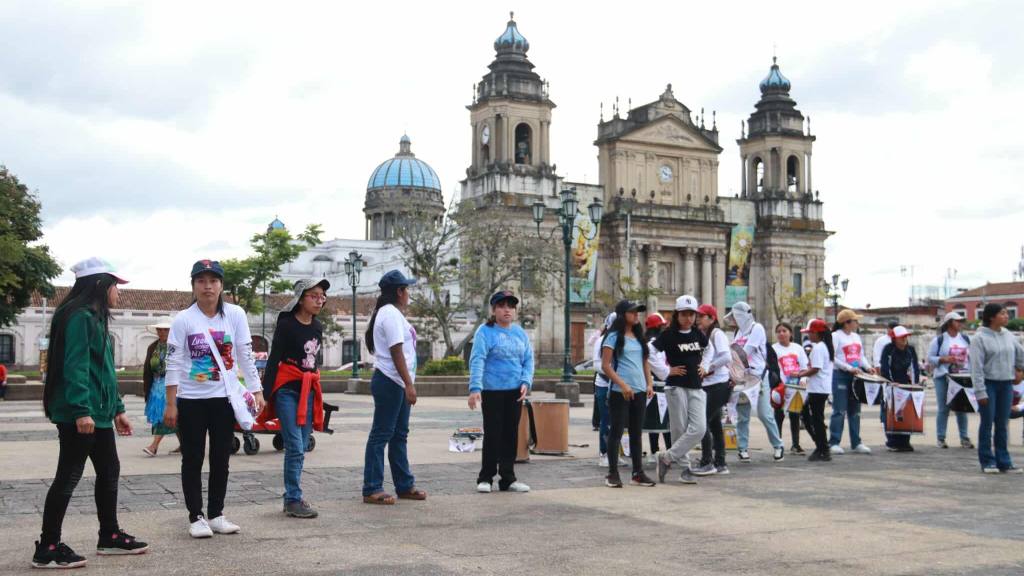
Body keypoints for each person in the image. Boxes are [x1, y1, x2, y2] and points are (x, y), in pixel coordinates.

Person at [33, 258, 148, 569]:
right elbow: (76, 366)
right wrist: (81, 410)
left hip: (97, 412)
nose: (119, 293)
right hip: (79, 414)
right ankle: (48, 546)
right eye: (115, 286)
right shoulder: (79, 317)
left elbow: (105, 369)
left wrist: (118, 409)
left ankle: (109, 535)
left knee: (109, 470)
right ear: (100, 286)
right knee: (68, 476)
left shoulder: (95, 318)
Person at [164, 259, 266, 538]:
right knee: (193, 458)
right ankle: (196, 516)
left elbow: (245, 354)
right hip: (191, 399)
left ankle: (217, 514)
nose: (207, 286)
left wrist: (256, 390)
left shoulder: (235, 315)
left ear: (221, 285)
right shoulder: (184, 320)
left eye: (213, 281)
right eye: (201, 281)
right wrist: (171, 403)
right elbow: (173, 362)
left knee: (222, 457)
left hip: (224, 399)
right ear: (194, 285)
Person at [262, 278, 330, 518]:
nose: (319, 300)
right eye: (314, 295)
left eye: (322, 296)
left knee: (301, 446)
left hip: (307, 392)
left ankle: (292, 497)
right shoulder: (287, 324)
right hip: (288, 391)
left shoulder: (318, 327)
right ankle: (293, 498)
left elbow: (313, 362)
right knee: (295, 446)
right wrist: (264, 393)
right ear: (301, 298)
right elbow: (274, 359)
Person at [362, 270, 427, 503]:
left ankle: (404, 484)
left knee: (399, 435)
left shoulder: (394, 313)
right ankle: (371, 487)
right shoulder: (389, 314)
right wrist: (409, 384)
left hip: (397, 381)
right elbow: (396, 350)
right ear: (399, 292)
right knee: (381, 434)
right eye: (407, 289)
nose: (408, 293)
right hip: (391, 381)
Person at [468, 290, 534, 494]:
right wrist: (475, 388)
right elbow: (477, 359)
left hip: (514, 391)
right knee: (493, 434)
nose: (507, 310)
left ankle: (508, 478)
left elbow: (528, 359)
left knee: (510, 434)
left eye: (511, 306)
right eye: (502, 306)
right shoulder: (485, 331)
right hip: (492, 391)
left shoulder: (520, 333)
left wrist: (526, 381)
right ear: (494, 309)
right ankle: (485, 477)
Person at [651, 296, 708, 484]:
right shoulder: (668, 335)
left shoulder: (698, 334)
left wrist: (705, 366)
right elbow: (649, 352)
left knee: (699, 428)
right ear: (677, 315)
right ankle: (685, 469)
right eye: (684, 314)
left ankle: (666, 457)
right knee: (679, 428)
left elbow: (710, 350)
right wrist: (666, 371)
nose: (689, 318)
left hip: (696, 386)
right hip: (676, 386)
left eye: (692, 314)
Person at [602, 300, 656, 488]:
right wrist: (623, 385)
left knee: (636, 433)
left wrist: (649, 383)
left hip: (640, 391)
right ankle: (612, 473)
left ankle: (638, 472)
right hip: (620, 392)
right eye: (632, 312)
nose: (636, 315)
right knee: (616, 432)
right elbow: (606, 365)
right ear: (622, 314)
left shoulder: (639, 337)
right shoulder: (614, 337)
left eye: (638, 312)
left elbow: (645, 362)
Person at [726, 302, 785, 462]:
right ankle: (742, 449)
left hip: (758, 377)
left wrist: (730, 362)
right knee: (743, 416)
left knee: (765, 414)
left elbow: (746, 351)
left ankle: (778, 445)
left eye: (735, 317)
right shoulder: (738, 333)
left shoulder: (756, 328)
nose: (733, 321)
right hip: (743, 378)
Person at [971, 303, 1024, 474]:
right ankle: (987, 461)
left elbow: (1020, 353)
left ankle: (1004, 461)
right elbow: (976, 367)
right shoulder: (979, 338)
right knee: (987, 423)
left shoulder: (1008, 335)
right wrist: (980, 391)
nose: (1007, 316)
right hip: (989, 384)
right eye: (1002, 314)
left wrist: (1020, 370)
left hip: (1006, 384)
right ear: (991, 317)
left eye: (1007, 314)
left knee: (1002, 424)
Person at [693, 303, 732, 477]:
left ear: (712, 318)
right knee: (714, 424)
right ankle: (720, 462)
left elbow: (726, 356)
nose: (698, 319)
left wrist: (709, 367)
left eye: (702, 316)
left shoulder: (717, 334)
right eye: (698, 316)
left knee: (702, 422)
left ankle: (707, 461)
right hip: (710, 385)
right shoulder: (704, 334)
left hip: (718, 384)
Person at [829, 309, 874, 455]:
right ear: (846, 323)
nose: (857, 323)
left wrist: (867, 367)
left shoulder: (856, 336)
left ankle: (856, 442)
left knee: (855, 411)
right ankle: (834, 441)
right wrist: (848, 368)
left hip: (856, 376)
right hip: (841, 375)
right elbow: (832, 357)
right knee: (840, 410)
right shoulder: (835, 336)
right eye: (855, 320)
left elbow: (860, 356)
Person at [928, 311, 973, 449]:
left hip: (961, 377)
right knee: (944, 408)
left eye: (961, 321)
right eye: (957, 321)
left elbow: (971, 357)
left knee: (962, 408)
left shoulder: (965, 339)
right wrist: (943, 359)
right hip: (943, 376)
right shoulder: (939, 340)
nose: (960, 323)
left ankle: (964, 438)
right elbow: (930, 358)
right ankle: (941, 438)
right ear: (949, 323)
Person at [879, 326, 920, 452]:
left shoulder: (911, 350)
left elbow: (914, 368)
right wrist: (891, 382)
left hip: (906, 385)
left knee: (907, 413)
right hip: (891, 384)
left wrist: (915, 383)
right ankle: (892, 441)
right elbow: (885, 367)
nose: (904, 339)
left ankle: (905, 441)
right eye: (901, 337)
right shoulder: (888, 349)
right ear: (894, 339)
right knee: (891, 413)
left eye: (905, 337)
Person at [772, 322, 811, 455]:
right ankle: (778, 445)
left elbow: (804, 366)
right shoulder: (773, 349)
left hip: (797, 387)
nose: (781, 333)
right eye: (779, 331)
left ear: (790, 333)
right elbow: (773, 369)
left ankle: (796, 444)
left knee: (795, 415)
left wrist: (803, 379)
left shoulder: (798, 348)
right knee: (779, 416)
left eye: (784, 331)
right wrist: (780, 383)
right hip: (781, 387)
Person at [142, 317, 179, 457]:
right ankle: (184, 445)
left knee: (164, 415)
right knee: (165, 416)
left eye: (166, 329)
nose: (162, 332)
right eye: (160, 329)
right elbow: (147, 370)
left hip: (172, 386)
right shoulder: (153, 347)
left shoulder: (176, 346)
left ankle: (154, 446)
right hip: (156, 387)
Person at [800, 318, 834, 462]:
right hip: (821, 388)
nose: (809, 335)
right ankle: (821, 446)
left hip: (817, 388)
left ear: (817, 333)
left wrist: (800, 374)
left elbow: (815, 368)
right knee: (813, 417)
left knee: (815, 419)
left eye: (810, 332)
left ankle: (822, 448)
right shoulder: (824, 346)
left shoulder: (819, 347)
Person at [643, 312, 671, 462]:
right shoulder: (652, 345)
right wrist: (671, 375)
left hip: (656, 386)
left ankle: (657, 451)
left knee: (657, 421)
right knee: (660, 421)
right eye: (662, 326)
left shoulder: (656, 342)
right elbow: (661, 369)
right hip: (659, 386)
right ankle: (664, 452)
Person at [592, 312, 616, 467]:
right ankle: (604, 453)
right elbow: (596, 364)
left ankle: (614, 453)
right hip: (604, 385)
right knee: (605, 421)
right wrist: (612, 374)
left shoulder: (622, 341)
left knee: (617, 422)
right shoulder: (601, 341)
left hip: (618, 386)